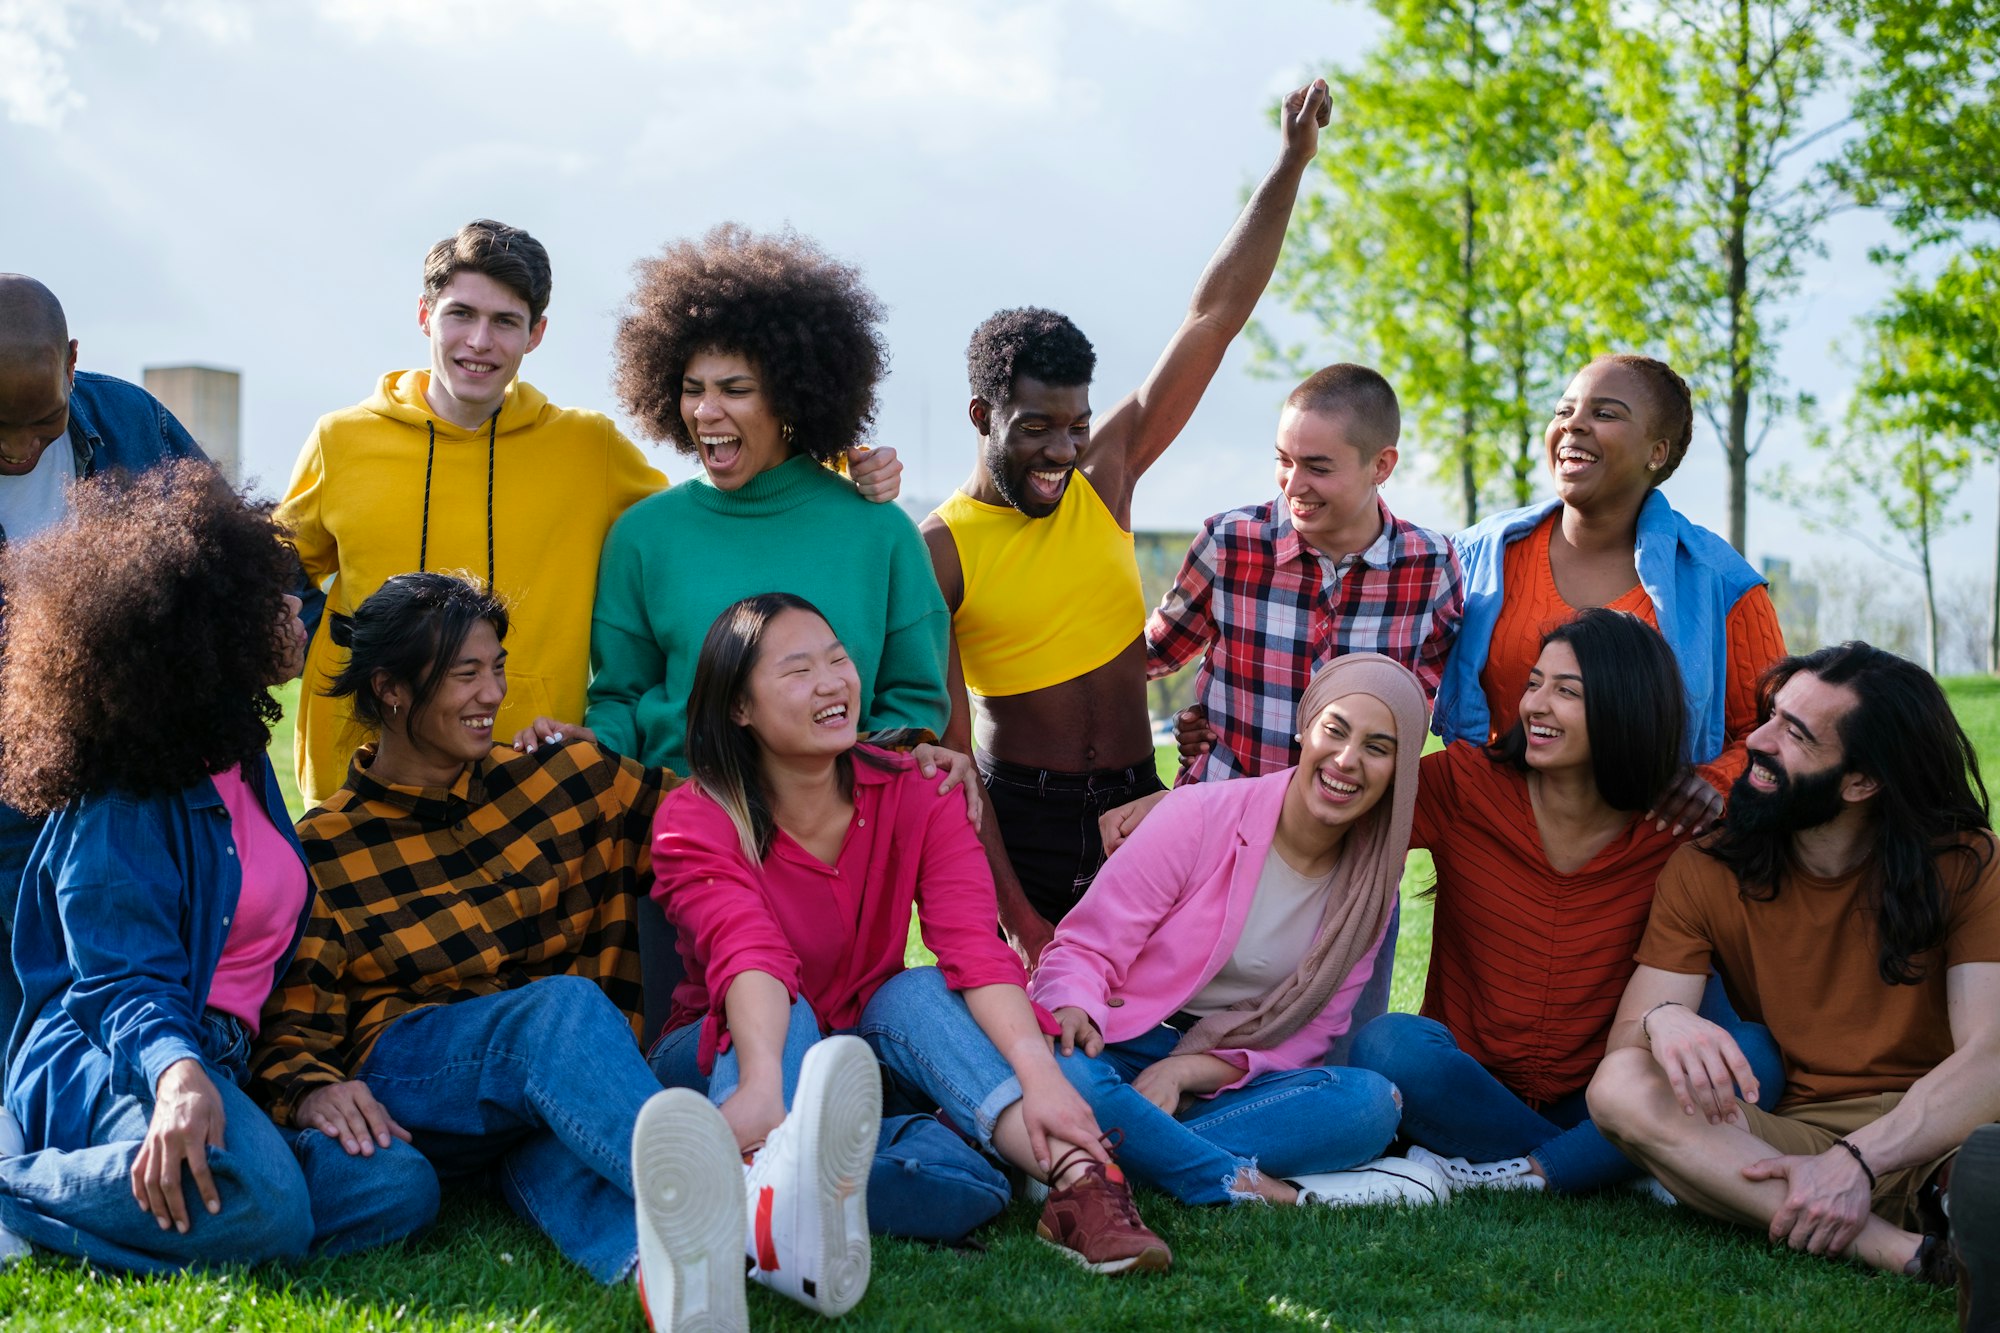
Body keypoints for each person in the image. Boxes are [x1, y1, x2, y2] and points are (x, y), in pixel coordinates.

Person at [249, 573, 884, 1316]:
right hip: (416, 1079)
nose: (493, 693)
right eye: (466, 675)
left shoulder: (570, 779)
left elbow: (716, 817)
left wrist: (897, 767)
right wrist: (308, 1085)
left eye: (497, 669)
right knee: (562, 1011)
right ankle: (752, 1198)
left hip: (553, 1096)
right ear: (391, 689)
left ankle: (679, 1271)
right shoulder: (323, 846)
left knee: (556, 1141)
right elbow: (292, 1018)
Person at [278, 218, 910, 809]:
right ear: (424, 316)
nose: (479, 341)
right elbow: (274, 575)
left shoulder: (590, 448)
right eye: (460, 315)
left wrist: (829, 468)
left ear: (536, 333)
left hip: (528, 777)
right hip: (361, 772)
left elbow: (721, 512)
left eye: (505, 320)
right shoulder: (340, 440)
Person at [922, 77, 1332, 965]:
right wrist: (1020, 918)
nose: (1062, 450)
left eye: (1075, 425)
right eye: (1035, 428)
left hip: (1141, 802)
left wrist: (1290, 165)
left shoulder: (1101, 481)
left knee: (1157, 1022)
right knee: (1050, 1042)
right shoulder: (940, 554)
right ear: (980, 415)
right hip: (1023, 816)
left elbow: (1212, 319)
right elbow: (952, 766)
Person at [650, 594, 1174, 1276]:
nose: (833, 681)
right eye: (799, 670)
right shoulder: (694, 816)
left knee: (920, 1008)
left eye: (838, 659)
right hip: (723, 1053)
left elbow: (975, 950)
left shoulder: (917, 790)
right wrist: (757, 1083)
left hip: (862, 1057)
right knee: (799, 1020)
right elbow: (749, 951)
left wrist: (1042, 1075)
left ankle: (1080, 1185)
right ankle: (765, 1166)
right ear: (739, 707)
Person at [0, 462, 436, 1272]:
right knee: (264, 1207)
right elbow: (118, 983)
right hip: (117, 1057)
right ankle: (15, 1188)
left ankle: (247, 1199)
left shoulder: (239, 753)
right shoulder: (126, 792)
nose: (296, 608)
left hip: (225, 1057)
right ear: (206, 626)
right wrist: (177, 1073)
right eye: (271, 596)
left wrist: (303, 1082)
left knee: (396, 1186)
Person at [587, 224, 950, 1037]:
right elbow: (618, 695)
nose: (706, 411)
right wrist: (580, 748)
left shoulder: (876, 529)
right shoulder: (644, 535)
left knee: (840, 1051)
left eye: (735, 388)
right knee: (704, 1053)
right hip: (688, 849)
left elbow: (914, 697)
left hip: (836, 858)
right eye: (691, 387)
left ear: (791, 393)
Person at [1587, 643, 2000, 1292]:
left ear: (1861, 781)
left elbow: (1991, 1058)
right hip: (1796, 1135)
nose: (1757, 739)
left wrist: (1861, 1162)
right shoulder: (1707, 867)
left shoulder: (1968, 862)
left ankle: (1939, 1205)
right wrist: (1663, 1020)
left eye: (1795, 733)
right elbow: (1626, 1045)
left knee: (1982, 1169)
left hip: (1942, 1127)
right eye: (1772, 714)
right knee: (1621, 1084)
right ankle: (1910, 1254)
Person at [1347, 610, 1780, 1196]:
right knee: (1388, 1045)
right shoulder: (1465, 785)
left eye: (1567, 691)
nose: (1535, 706)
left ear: (1626, 707)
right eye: (1534, 683)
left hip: (1607, 1090)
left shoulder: (1676, 828)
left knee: (1753, 1053)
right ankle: (1616, 1159)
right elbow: (1332, 812)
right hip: (1469, 1083)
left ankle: (1535, 1171)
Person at [1114, 362, 1461, 1059]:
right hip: (1224, 838)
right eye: (1283, 461)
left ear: (1381, 464)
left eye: (1318, 466)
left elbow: (1427, 709)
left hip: (1350, 854)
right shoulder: (1231, 543)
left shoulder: (1431, 567)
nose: (1293, 484)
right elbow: (1144, 660)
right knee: (1166, 1032)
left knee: (1335, 1057)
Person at [1032, 652, 1446, 1208]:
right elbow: (1086, 948)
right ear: (1305, 730)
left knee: (1371, 1104)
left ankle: (1093, 1153)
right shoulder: (1198, 814)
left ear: (1399, 771)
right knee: (1066, 1069)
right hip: (1121, 1043)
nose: (1348, 760)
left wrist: (1182, 1073)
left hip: (1224, 1075)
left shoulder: (1368, 892)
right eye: (1336, 731)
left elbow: (1306, 1037)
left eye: (1377, 748)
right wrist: (1075, 1010)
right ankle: (1246, 1183)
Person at [1435, 354, 1787, 838]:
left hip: (1647, 856)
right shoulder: (1478, 557)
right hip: (1492, 840)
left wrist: (1716, 781)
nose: (1573, 425)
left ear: (1656, 452)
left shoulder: (1720, 583)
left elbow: (1772, 729)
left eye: (1604, 414)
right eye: (1564, 411)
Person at [0, 274, 211, 1073]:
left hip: (121, 784)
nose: (21, 448)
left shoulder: (131, 422)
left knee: (112, 998)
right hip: (7, 801)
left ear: (73, 363)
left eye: (42, 421)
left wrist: (282, 615)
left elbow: (237, 554)